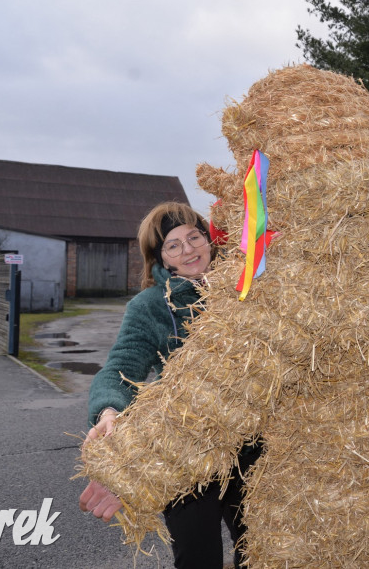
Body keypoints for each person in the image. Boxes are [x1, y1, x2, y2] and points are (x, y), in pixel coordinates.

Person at [78, 201, 261, 568]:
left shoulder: (246, 289)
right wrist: (109, 409)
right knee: (197, 557)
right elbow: (119, 367)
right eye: (173, 245)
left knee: (262, 551)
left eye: (194, 237)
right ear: (161, 259)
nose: (188, 249)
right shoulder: (150, 307)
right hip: (185, 453)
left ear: (211, 241)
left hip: (251, 449)